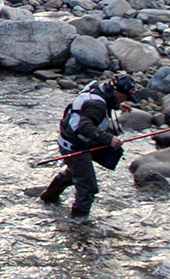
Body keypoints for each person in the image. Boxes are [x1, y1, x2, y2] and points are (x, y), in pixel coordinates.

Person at [41, 72, 133, 221]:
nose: (128, 99)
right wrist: (109, 139)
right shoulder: (97, 106)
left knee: (75, 173)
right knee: (88, 187)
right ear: (116, 92)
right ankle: (78, 224)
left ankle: (48, 198)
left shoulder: (98, 87)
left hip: (68, 138)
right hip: (74, 146)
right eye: (126, 96)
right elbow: (85, 127)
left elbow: (95, 105)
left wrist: (117, 104)